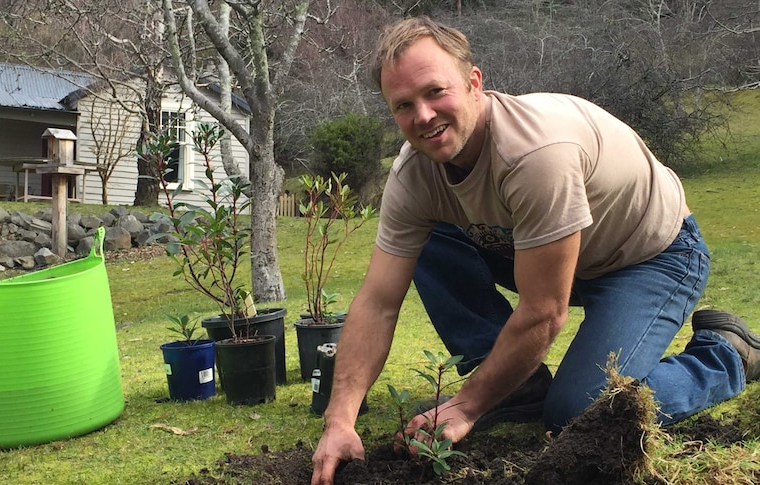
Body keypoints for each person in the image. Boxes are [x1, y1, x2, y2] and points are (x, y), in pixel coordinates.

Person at [310, 15, 760, 485]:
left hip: (649, 257)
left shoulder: (535, 153)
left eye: (434, 92)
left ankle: (726, 355)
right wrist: (339, 419)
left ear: (473, 83)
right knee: (434, 236)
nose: (423, 115)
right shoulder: (414, 176)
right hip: (550, 253)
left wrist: (464, 406)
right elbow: (379, 302)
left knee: (578, 414)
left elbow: (545, 311)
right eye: (404, 105)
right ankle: (515, 386)